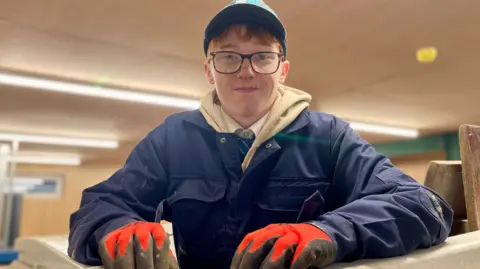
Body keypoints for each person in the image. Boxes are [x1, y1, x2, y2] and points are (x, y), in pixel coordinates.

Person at [67, 1, 453, 269]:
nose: (246, 71)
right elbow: (98, 205)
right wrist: (114, 227)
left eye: (262, 56)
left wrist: (327, 232)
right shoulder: (173, 138)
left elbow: (423, 206)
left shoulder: (328, 137)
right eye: (229, 56)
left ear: (282, 70)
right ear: (209, 70)